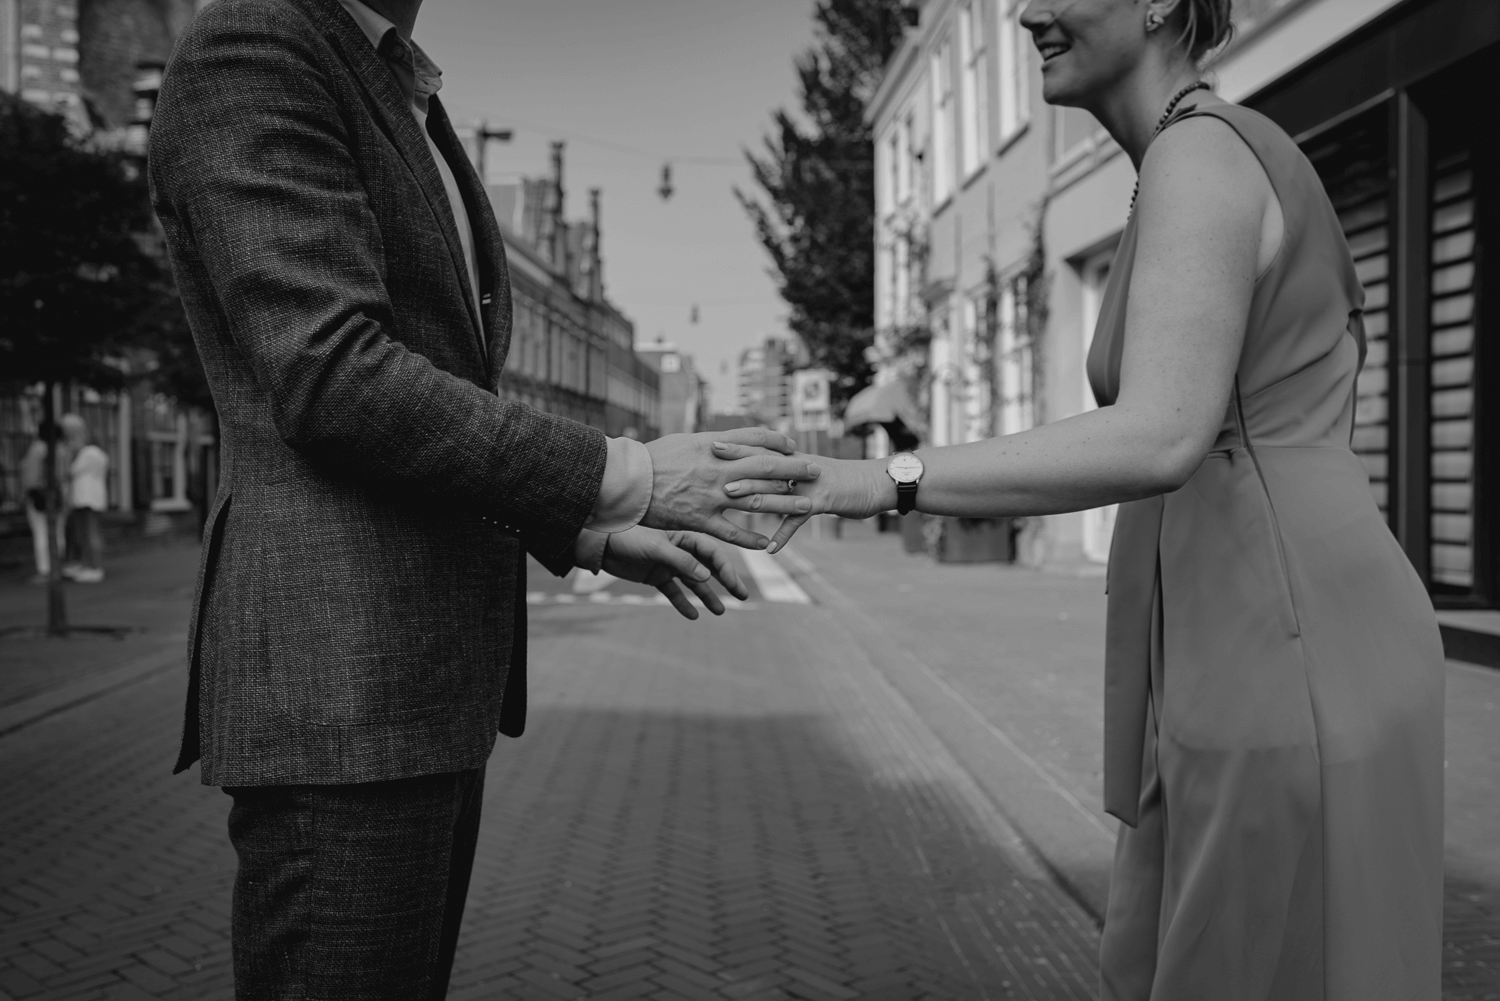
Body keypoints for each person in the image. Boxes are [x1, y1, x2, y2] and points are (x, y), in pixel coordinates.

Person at [741, 0, 1445, 996]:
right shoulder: (1184, 160)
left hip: (1287, 648)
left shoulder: (1201, 158)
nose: (1028, 10)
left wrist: (878, 479)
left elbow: (1160, 431)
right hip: (1256, 633)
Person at [147, 0, 816, 996]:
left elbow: (421, 392)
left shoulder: (397, 77)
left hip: (413, 677)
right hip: (343, 680)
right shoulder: (257, 39)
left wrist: (582, 528)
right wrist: (624, 472)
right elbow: (332, 375)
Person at [61, 414, 109, 584]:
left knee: (89, 534)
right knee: (89, 533)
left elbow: (70, 471)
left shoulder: (88, 453)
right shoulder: (101, 454)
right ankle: (89, 565)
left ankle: (94, 567)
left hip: (85, 497)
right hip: (94, 497)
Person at [19, 429, 65, 583]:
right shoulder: (61, 449)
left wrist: (28, 492)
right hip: (57, 493)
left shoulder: (37, 449)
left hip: (39, 495)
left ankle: (45, 570)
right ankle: (57, 566)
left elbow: (30, 477)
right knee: (57, 531)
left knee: (41, 531)